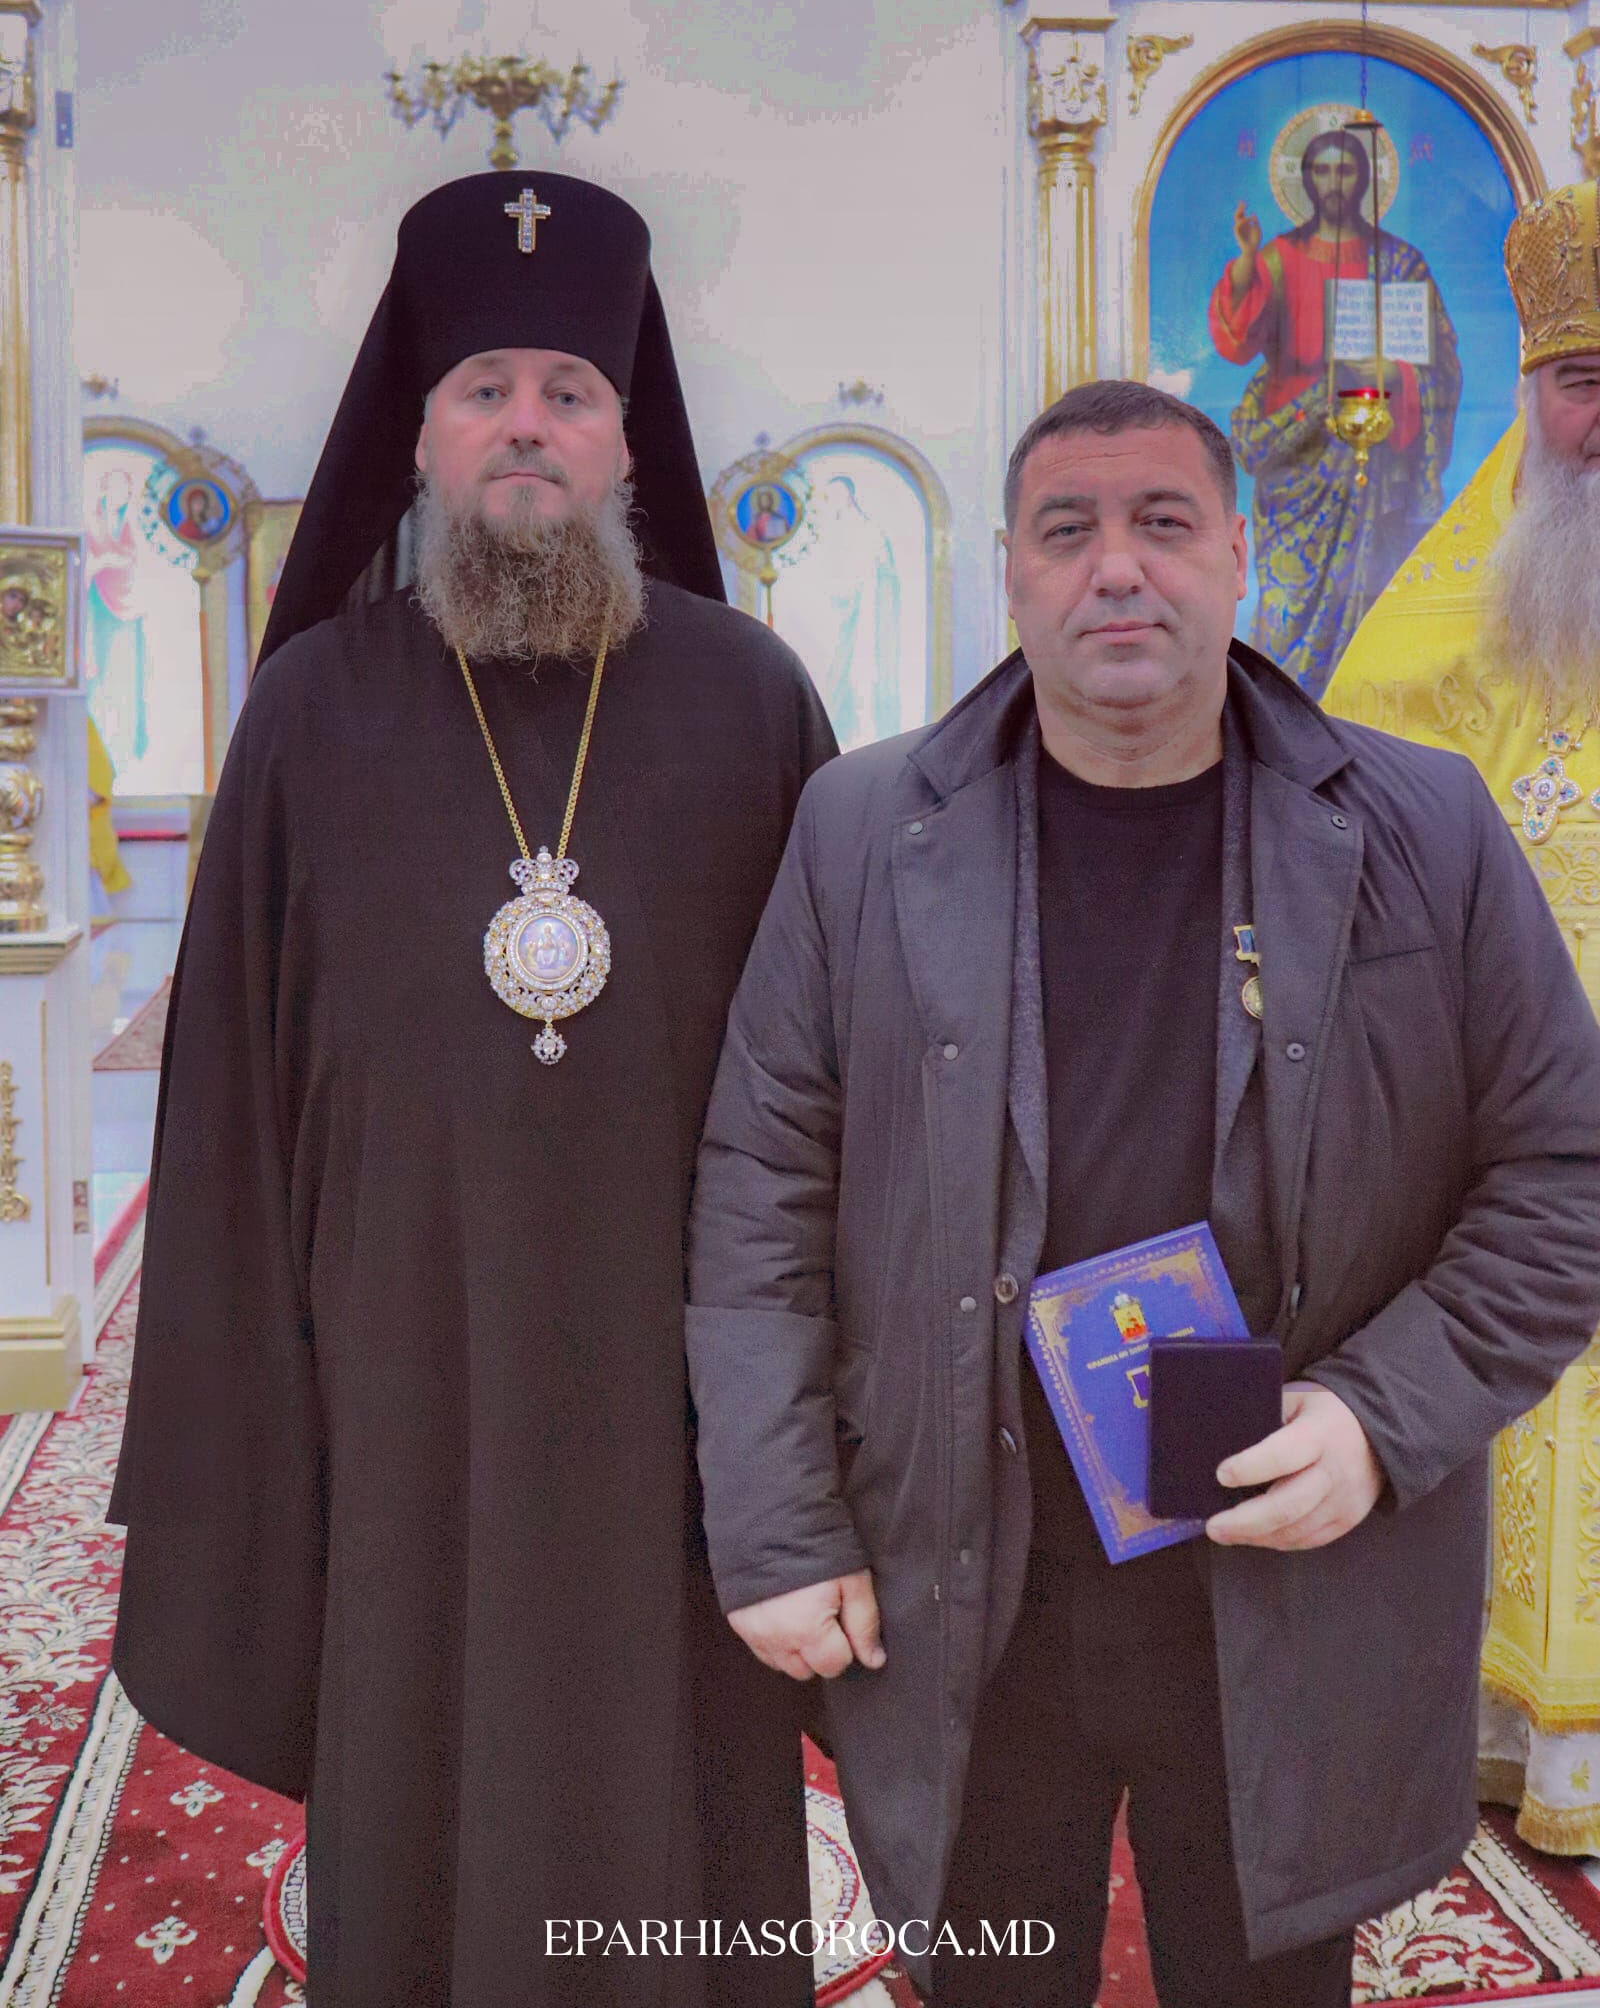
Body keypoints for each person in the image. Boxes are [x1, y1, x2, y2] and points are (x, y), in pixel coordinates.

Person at [686, 377, 1600, 2008]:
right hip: (966, 1571)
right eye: (1069, 530)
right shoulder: (864, 830)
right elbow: (763, 1182)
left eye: (1164, 522)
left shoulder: (1423, 826)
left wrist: (1379, 1420)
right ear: (1010, 573)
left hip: (1285, 1566)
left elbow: (1563, 1174)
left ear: (1239, 552)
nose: (1118, 566)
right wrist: (774, 1522)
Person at [109, 169, 834, 2007]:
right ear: (421, 434)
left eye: (569, 392)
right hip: (397, 1370)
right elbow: (227, 1103)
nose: (527, 424)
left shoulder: (754, 699)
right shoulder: (307, 710)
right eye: (486, 388)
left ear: (626, 443)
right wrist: (246, 1408)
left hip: (680, 1379)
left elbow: (836, 1081)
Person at [1326, 173, 1600, 1857]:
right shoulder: (1438, 621)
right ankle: (1513, 1730)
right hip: (1512, 1132)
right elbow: (1352, 858)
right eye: (1584, 379)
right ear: (1530, 390)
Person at [1209, 124, 1461, 696]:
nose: (1333, 183)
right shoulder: (1277, 259)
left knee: (1368, 608)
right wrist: (1246, 261)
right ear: (1304, 180)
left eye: (1344, 169)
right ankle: (1280, 715)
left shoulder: (1400, 263)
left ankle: (1360, 711)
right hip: (1293, 453)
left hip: (1373, 462)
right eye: (1321, 171)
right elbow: (1237, 340)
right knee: (1287, 610)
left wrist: (1395, 376)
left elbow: (1442, 365)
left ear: (1366, 177)